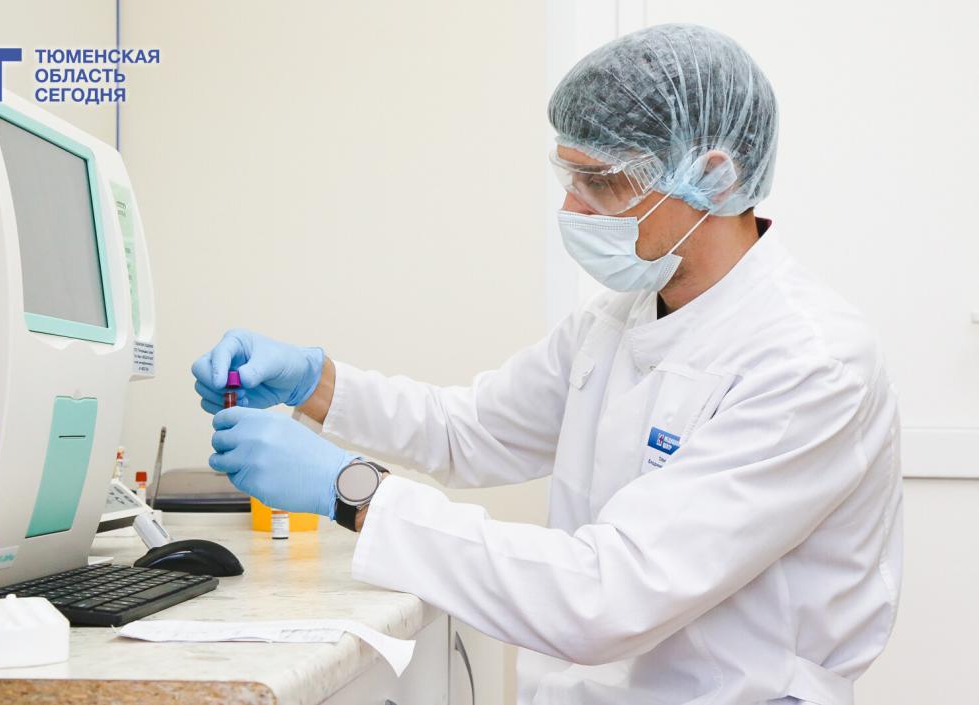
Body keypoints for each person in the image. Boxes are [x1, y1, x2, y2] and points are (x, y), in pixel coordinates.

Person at [193, 23, 902, 705]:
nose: (572, 207)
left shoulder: (810, 362)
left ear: (714, 177)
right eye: (569, 176)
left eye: (601, 181)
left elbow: (608, 596)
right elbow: (469, 429)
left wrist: (351, 490)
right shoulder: (618, 317)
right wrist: (314, 381)